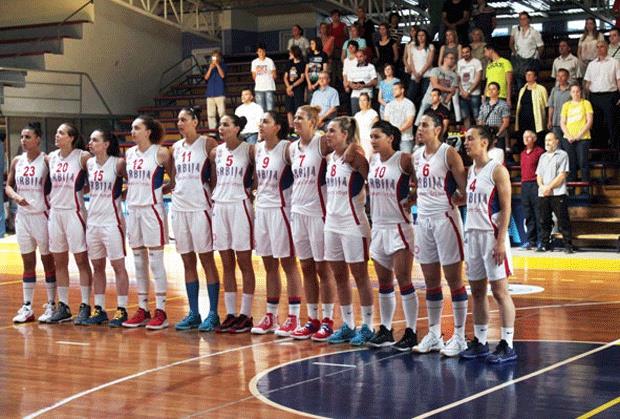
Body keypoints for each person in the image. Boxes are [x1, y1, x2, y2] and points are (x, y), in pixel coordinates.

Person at [411, 113, 469, 357]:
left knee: (454, 280)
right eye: (419, 125)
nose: (419, 128)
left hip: (445, 218)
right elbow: (417, 186)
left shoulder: (448, 153)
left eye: (425, 125)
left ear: (437, 129)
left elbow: (465, 189)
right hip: (423, 220)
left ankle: (460, 336)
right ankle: (434, 334)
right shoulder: (415, 156)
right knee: (431, 281)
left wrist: (456, 200)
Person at [460, 125, 517, 363]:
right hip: (472, 235)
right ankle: (480, 341)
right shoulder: (470, 171)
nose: (466, 143)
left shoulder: (497, 170)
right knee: (477, 292)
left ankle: (507, 344)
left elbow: (506, 207)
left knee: (500, 292)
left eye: (470, 139)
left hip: (491, 236)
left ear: (484, 142)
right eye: (465, 139)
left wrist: (501, 241)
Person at [365, 121, 419, 350]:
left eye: (377, 136)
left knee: (404, 279)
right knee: (384, 282)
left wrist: (413, 198)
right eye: (371, 136)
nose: (373, 140)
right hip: (378, 226)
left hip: (399, 226)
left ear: (390, 138)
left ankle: (411, 331)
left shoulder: (404, 159)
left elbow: (422, 182)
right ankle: (386, 330)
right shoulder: (372, 160)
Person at [322, 117, 374, 346]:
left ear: (345, 134)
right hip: (331, 223)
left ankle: (368, 326)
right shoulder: (330, 158)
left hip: (353, 223)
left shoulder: (356, 156)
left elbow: (370, 175)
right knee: (339, 276)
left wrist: (355, 146)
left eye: (332, 131)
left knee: (360, 276)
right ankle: (348, 324)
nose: (328, 135)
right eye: (327, 131)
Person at [250, 111, 303, 336]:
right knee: (268, 265)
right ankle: (271, 315)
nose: (260, 125)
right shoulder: (258, 149)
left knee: (288, 264)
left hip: (281, 210)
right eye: (260, 121)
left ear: (278, 126)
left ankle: (294, 317)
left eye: (266, 121)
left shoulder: (287, 148)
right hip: (262, 209)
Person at [169, 107, 221, 332]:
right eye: (178, 120)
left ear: (195, 122)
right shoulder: (175, 148)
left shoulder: (208, 144)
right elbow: (173, 178)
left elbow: (216, 176)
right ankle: (193, 313)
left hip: (201, 207)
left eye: (184, 119)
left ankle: (213, 313)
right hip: (179, 208)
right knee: (187, 261)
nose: (179, 123)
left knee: (207, 260)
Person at [288, 106, 337, 341]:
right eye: (295, 117)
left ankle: (328, 320)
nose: (296, 120)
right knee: (306, 267)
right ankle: (312, 318)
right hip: (297, 212)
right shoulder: (291, 148)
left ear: (313, 122)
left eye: (301, 117)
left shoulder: (322, 143)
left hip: (318, 212)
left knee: (322, 268)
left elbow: (347, 148)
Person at [122, 116, 173, 330]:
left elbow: (175, 179)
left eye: (137, 128)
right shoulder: (129, 153)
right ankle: (143, 308)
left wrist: (160, 192)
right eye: (132, 128)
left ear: (148, 132)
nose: (132, 132)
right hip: (133, 209)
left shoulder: (160, 152)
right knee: (138, 261)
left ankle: (161, 310)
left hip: (152, 209)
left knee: (155, 260)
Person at [210, 115, 256, 333]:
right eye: (220, 124)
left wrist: (253, 191)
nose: (221, 128)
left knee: (244, 261)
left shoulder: (249, 150)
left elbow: (258, 175)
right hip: (220, 205)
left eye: (226, 125)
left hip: (240, 204)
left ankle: (246, 314)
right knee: (226, 262)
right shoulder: (216, 152)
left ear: (237, 128)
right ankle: (230, 313)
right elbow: (213, 178)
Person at [7, 123, 57, 323]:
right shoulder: (17, 161)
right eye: (22, 136)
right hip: (22, 217)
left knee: (48, 262)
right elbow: (8, 186)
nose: (23, 140)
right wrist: (16, 197)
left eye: (28, 137)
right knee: (28, 263)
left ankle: (52, 304)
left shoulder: (46, 160)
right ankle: (27, 306)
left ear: (38, 139)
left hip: (42, 216)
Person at [81, 130, 130, 326]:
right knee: (97, 267)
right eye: (90, 139)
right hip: (93, 222)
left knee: (118, 266)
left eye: (95, 140)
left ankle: (122, 309)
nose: (90, 143)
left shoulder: (118, 163)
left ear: (106, 144)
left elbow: (135, 183)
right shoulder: (89, 163)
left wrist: (122, 196)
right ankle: (99, 308)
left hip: (112, 222)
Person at [46, 123, 93, 324]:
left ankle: (85, 305)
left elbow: (96, 177)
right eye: (57, 132)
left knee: (81, 260)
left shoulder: (82, 157)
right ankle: (63, 305)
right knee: (59, 261)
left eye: (61, 133)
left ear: (71, 138)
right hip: (55, 213)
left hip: (74, 212)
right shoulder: (51, 157)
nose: (57, 135)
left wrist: (83, 191)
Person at [536, 132, 575, 253]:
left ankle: (568, 245)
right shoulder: (542, 156)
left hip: (558, 193)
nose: (547, 143)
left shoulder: (563, 154)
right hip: (543, 193)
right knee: (544, 220)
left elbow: (562, 175)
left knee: (563, 221)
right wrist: (542, 187)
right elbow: (538, 175)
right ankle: (544, 244)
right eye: (546, 140)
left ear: (557, 141)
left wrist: (549, 187)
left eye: (550, 140)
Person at [583, 40, 620, 151]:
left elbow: (618, 80)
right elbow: (587, 83)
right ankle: (599, 149)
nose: (599, 49)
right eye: (597, 47)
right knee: (596, 124)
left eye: (602, 47)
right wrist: (585, 98)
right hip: (594, 97)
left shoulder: (614, 62)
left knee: (612, 124)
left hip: (610, 96)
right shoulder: (591, 64)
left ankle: (615, 150)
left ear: (607, 48)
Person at [560, 83, 594, 183]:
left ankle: (585, 187)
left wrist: (579, 135)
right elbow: (562, 122)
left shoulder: (586, 103)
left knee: (583, 162)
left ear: (581, 92)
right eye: (573, 91)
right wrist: (569, 136)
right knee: (571, 163)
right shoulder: (566, 105)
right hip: (568, 138)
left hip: (583, 138)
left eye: (578, 91)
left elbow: (589, 121)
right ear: (570, 93)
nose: (576, 93)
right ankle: (572, 188)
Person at [415, 52, 458, 127]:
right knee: (421, 119)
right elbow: (435, 85)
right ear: (445, 59)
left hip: (443, 101)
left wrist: (446, 101)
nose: (452, 60)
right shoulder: (435, 70)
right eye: (450, 58)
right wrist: (449, 89)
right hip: (429, 98)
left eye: (453, 59)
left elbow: (453, 91)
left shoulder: (454, 75)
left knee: (440, 122)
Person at [519, 130, 545, 250]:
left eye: (529, 137)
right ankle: (531, 241)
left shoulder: (540, 152)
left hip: (535, 184)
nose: (526, 139)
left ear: (534, 139)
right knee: (528, 214)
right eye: (524, 137)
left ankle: (541, 240)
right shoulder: (522, 153)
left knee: (538, 213)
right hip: (525, 185)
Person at [509, 12, 543, 92]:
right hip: (518, 60)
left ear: (528, 20)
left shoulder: (534, 32)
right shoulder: (515, 30)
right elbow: (511, 43)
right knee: (519, 84)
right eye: (520, 19)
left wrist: (536, 56)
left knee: (531, 82)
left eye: (524, 19)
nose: (522, 21)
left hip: (530, 59)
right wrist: (515, 52)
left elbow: (541, 46)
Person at [515, 69, 548, 148]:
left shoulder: (541, 89)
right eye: (527, 75)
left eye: (530, 75)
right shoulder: (522, 89)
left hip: (535, 118)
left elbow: (546, 105)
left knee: (537, 138)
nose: (528, 76)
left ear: (535, 77)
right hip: (523, 118)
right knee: (524, 138)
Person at [404, 28, 435, 110]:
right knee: (410, 96)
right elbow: (412, 62)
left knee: (425, 97)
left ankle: (424, 114)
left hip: (426, 75)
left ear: (426, 36)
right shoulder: (413, 47)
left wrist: (420, 73)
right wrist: (415, 73)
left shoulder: (430, 47)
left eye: (422, 35)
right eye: (419, 35)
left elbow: (429, 62)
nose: (420, 37)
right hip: (414, 75)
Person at [477, 82, 511, 151]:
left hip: (499, 135)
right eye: (489, 89)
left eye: (493, 89)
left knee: (499, 154)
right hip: (487, 135)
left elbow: (506, 122)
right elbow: (480, 120)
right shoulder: (484, 105)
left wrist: (497, 134)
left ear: (498, 91)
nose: (491, 91)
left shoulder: (503, 105)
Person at [384, 82, 416, 152]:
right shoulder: (388, 105)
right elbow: (386, 121)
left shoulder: (409, 104)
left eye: (396, 89)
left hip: (405, 139)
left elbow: (409, 122)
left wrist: (397, 132)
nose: (393, 91)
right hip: (392, 139)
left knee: (406, 158)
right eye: (393, 89)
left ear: (402, 90)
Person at [458, 44, 483, 129]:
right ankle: (468, 134)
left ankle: (479, 134)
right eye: (463, 52)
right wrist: (462, 91)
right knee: (465, 116)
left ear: (471, 52)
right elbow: (458, 78)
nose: (465, 54)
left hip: (475, 93)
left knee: (477, 116)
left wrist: (468, 91)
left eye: (467, 52)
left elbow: (478, 78)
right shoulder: (459, 62)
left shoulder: (477, 62)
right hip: (462, 94)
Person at [345, 49, 377, 115]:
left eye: (361, 56)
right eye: (357, 57)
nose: (359, 59)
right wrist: (352, 86)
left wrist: (363, 85)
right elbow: (349, 81)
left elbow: (375, 82)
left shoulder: (371, 67)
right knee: (355, 116)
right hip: (355, 94)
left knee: (367, 115)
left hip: (367, 94)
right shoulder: (352, 68)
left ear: (365, 57)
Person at [284, 45, 307, 128]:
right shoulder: (289, 63)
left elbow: (302, 78)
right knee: (289, 109)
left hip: (298, 89)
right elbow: (285, 77)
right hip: (289, 88)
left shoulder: (302, 63)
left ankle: (298, 127)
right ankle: (291, 127)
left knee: (298, 108)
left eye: (291, 52)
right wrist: (288, 87)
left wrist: (292, 86)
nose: (289, 54)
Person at [547, 68, 572, 146]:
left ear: (568, 77)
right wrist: (549, 120)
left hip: (568, 122)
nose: (560, 78)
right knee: (557, 145)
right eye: (558, 76)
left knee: (568, 145)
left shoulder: (572, 90)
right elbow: (551, 106)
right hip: (556, 122)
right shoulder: (554, 90)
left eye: (562, 76)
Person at [204, 50, 226, 129]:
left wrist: (217, 65)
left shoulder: (223, 65)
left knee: (222, 113)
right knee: (210, 115)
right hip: (210, 93)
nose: (215, 58)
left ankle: (223, 128)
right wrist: (210, 68)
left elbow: (222, 75)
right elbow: (206, 77)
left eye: (216, 56)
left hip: (220, 93)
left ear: (219, 57)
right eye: (213, 56)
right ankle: (212, 130)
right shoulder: (209, 66)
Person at [251, 44, 277, 112]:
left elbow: (274, 75)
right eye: (260, 51)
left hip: (269, 87)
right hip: (259, 88)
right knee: (260, 109)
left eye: (263, 51)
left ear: (265, 52)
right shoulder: (254, 62)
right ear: (257, 52)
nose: (261, 53)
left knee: (270, 108)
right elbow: (253, 76)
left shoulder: (270, 61)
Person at [354, 92, 380, 159]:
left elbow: (377, 129)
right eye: (360, 100)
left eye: (364, 100)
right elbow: (355, 130)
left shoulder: (373, 113)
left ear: (368, 102)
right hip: (359, 142)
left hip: (369, 141)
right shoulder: (357, 115)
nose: (362, 102)